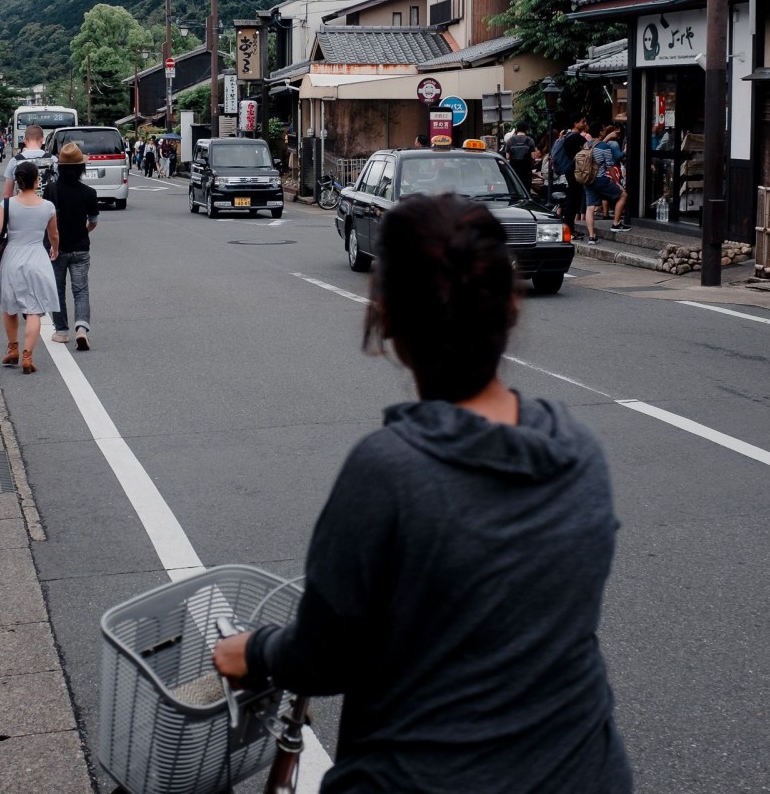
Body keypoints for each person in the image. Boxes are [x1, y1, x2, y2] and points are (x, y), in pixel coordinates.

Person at [213, 194, 630, 794]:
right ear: (509, 307)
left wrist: (252, 652)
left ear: (385, 316)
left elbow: (323, 657)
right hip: (585, 773)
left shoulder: (390, 472)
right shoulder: (578, 450)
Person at [0, 159, 59, 375]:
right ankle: (28, 355)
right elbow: (53, 235)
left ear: (18, 181)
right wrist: (55, 249)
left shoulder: (7, 204)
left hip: (12, 258)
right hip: (37, 257)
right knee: (35, 310)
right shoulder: (47, 206)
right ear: (37, 181)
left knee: (10, 306)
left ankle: (13, 348)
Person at [45, 142, 98, 351]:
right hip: (81, 248)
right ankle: (82, 328)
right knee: (81, 290)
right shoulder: (89, 192)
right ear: (81, 168)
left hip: (56, 248)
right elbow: (93, 221)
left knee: (57, 290)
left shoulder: (51, 190)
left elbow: (46, 218)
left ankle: (61, 331)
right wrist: (84, 230)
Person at [583, 125, 629, 244]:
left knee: (590, 208)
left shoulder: (586, 145)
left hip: (587, 179)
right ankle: (616, 223)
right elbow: (610, 166)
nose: (604, 131)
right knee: (623, 195)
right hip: (601, 179)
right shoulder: (604, 147)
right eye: (603, 129)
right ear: (600, 132)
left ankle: (592, 237)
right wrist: (616, 182)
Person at [558, 117, 591, 233]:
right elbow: (589, 152)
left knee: (571, 199)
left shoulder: (566, 136)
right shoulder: (578, 138)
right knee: (574, 200)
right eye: (583, 122)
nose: (585, 124)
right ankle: (569, 227)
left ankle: (569, 226)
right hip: (576, 171)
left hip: (569, 170)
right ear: (575, 123)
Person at [3, 125, 49, 198]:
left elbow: (7, 194)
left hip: (21, 206)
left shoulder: (15, 161)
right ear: (42, 139)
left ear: (24, 140)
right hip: (47, 207)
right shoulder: (53, 160)